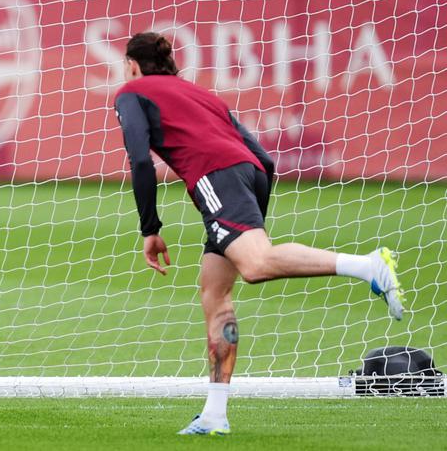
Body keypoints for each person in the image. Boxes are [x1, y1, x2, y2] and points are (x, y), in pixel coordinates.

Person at [113, 32, 403, 437]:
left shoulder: (131, 92)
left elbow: (140, 161)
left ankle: (368, 266)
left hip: (215, 177)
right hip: (248, 173)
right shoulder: (201, 94)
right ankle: (215, 415)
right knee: (215, 292)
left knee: (256, 264)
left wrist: (150, 229)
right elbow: (263, 158)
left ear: (132, 64)